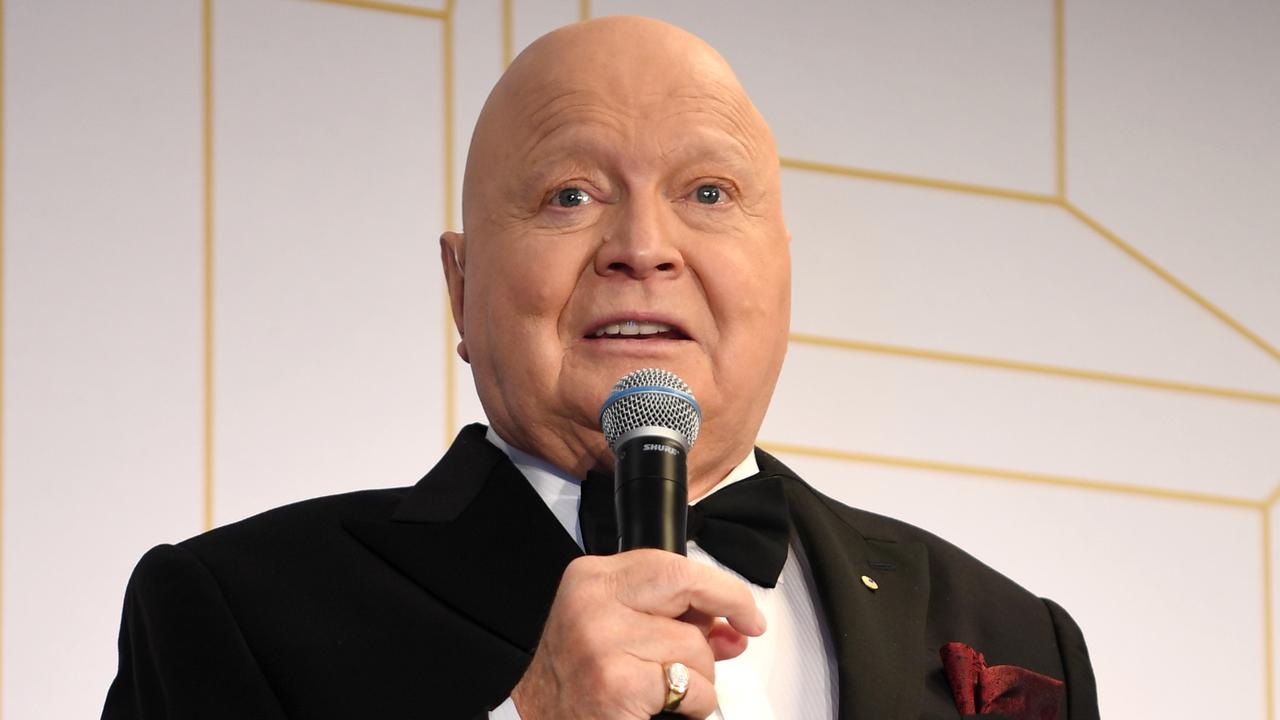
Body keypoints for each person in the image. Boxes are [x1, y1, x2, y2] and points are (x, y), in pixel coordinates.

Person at [102, 16, 1098, 720]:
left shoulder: (1007, 628)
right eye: (570, 195)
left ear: (781, 271)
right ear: (461, 285)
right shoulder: (232, 608)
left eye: (707, 191)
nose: (643, 247)